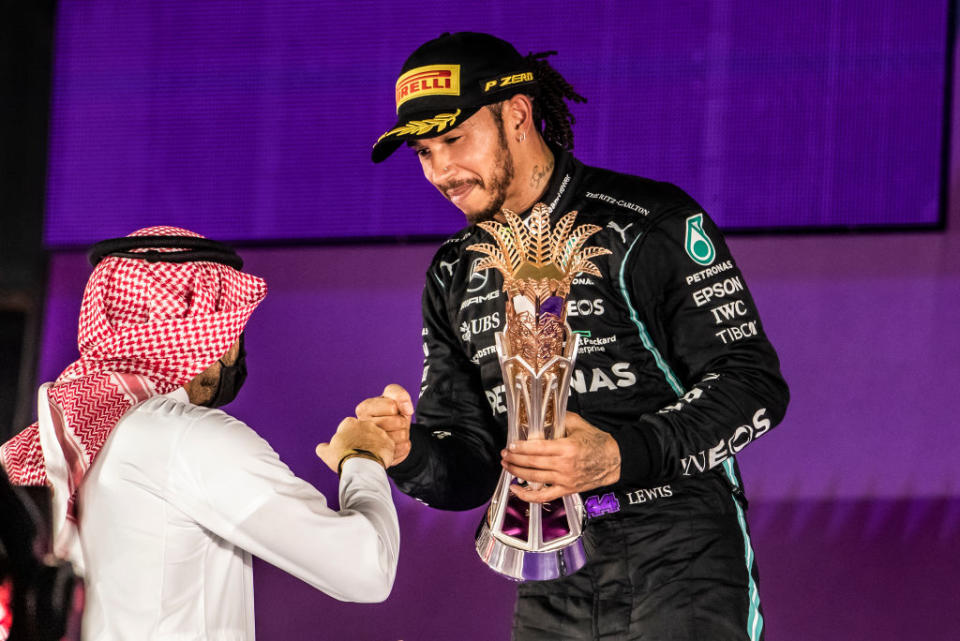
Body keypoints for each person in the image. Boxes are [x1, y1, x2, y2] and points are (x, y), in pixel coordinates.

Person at [361, 32, 789, 641]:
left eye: (454, 140)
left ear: (516, 115)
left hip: (680, 549)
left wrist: (617, 455)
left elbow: (752, 385)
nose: (442, 171)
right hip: (547, 564)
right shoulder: (454, 270)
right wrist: (410, 452)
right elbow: (473, 466)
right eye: (424, 153)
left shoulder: (649, 223)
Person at [0, 226, 400, 640]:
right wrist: (363, 460)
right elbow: (364, 568)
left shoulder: (56, 440)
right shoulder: (187, 438)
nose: (236, 351)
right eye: (233, 332)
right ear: (209, 337)